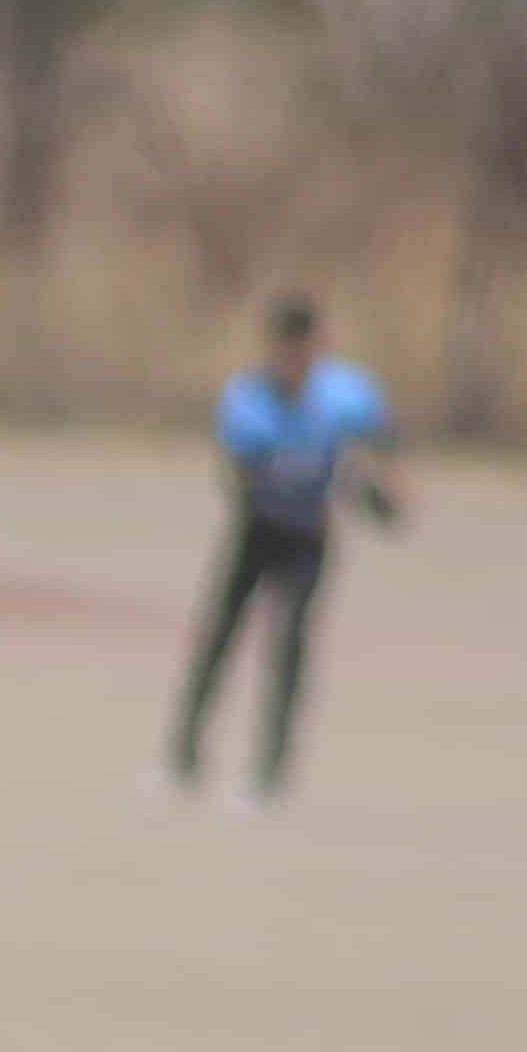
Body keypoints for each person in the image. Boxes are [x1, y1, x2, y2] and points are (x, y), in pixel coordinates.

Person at [165, 294, 403, 811]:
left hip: (310, 540)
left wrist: (383, 487)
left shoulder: (345, 393)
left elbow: (382, 444)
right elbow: (240, 474)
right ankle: (183, 758)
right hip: (260, 530)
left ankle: (269, 770)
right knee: (220, 638)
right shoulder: (249, 397)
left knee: (290, 646)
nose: (294, 358)